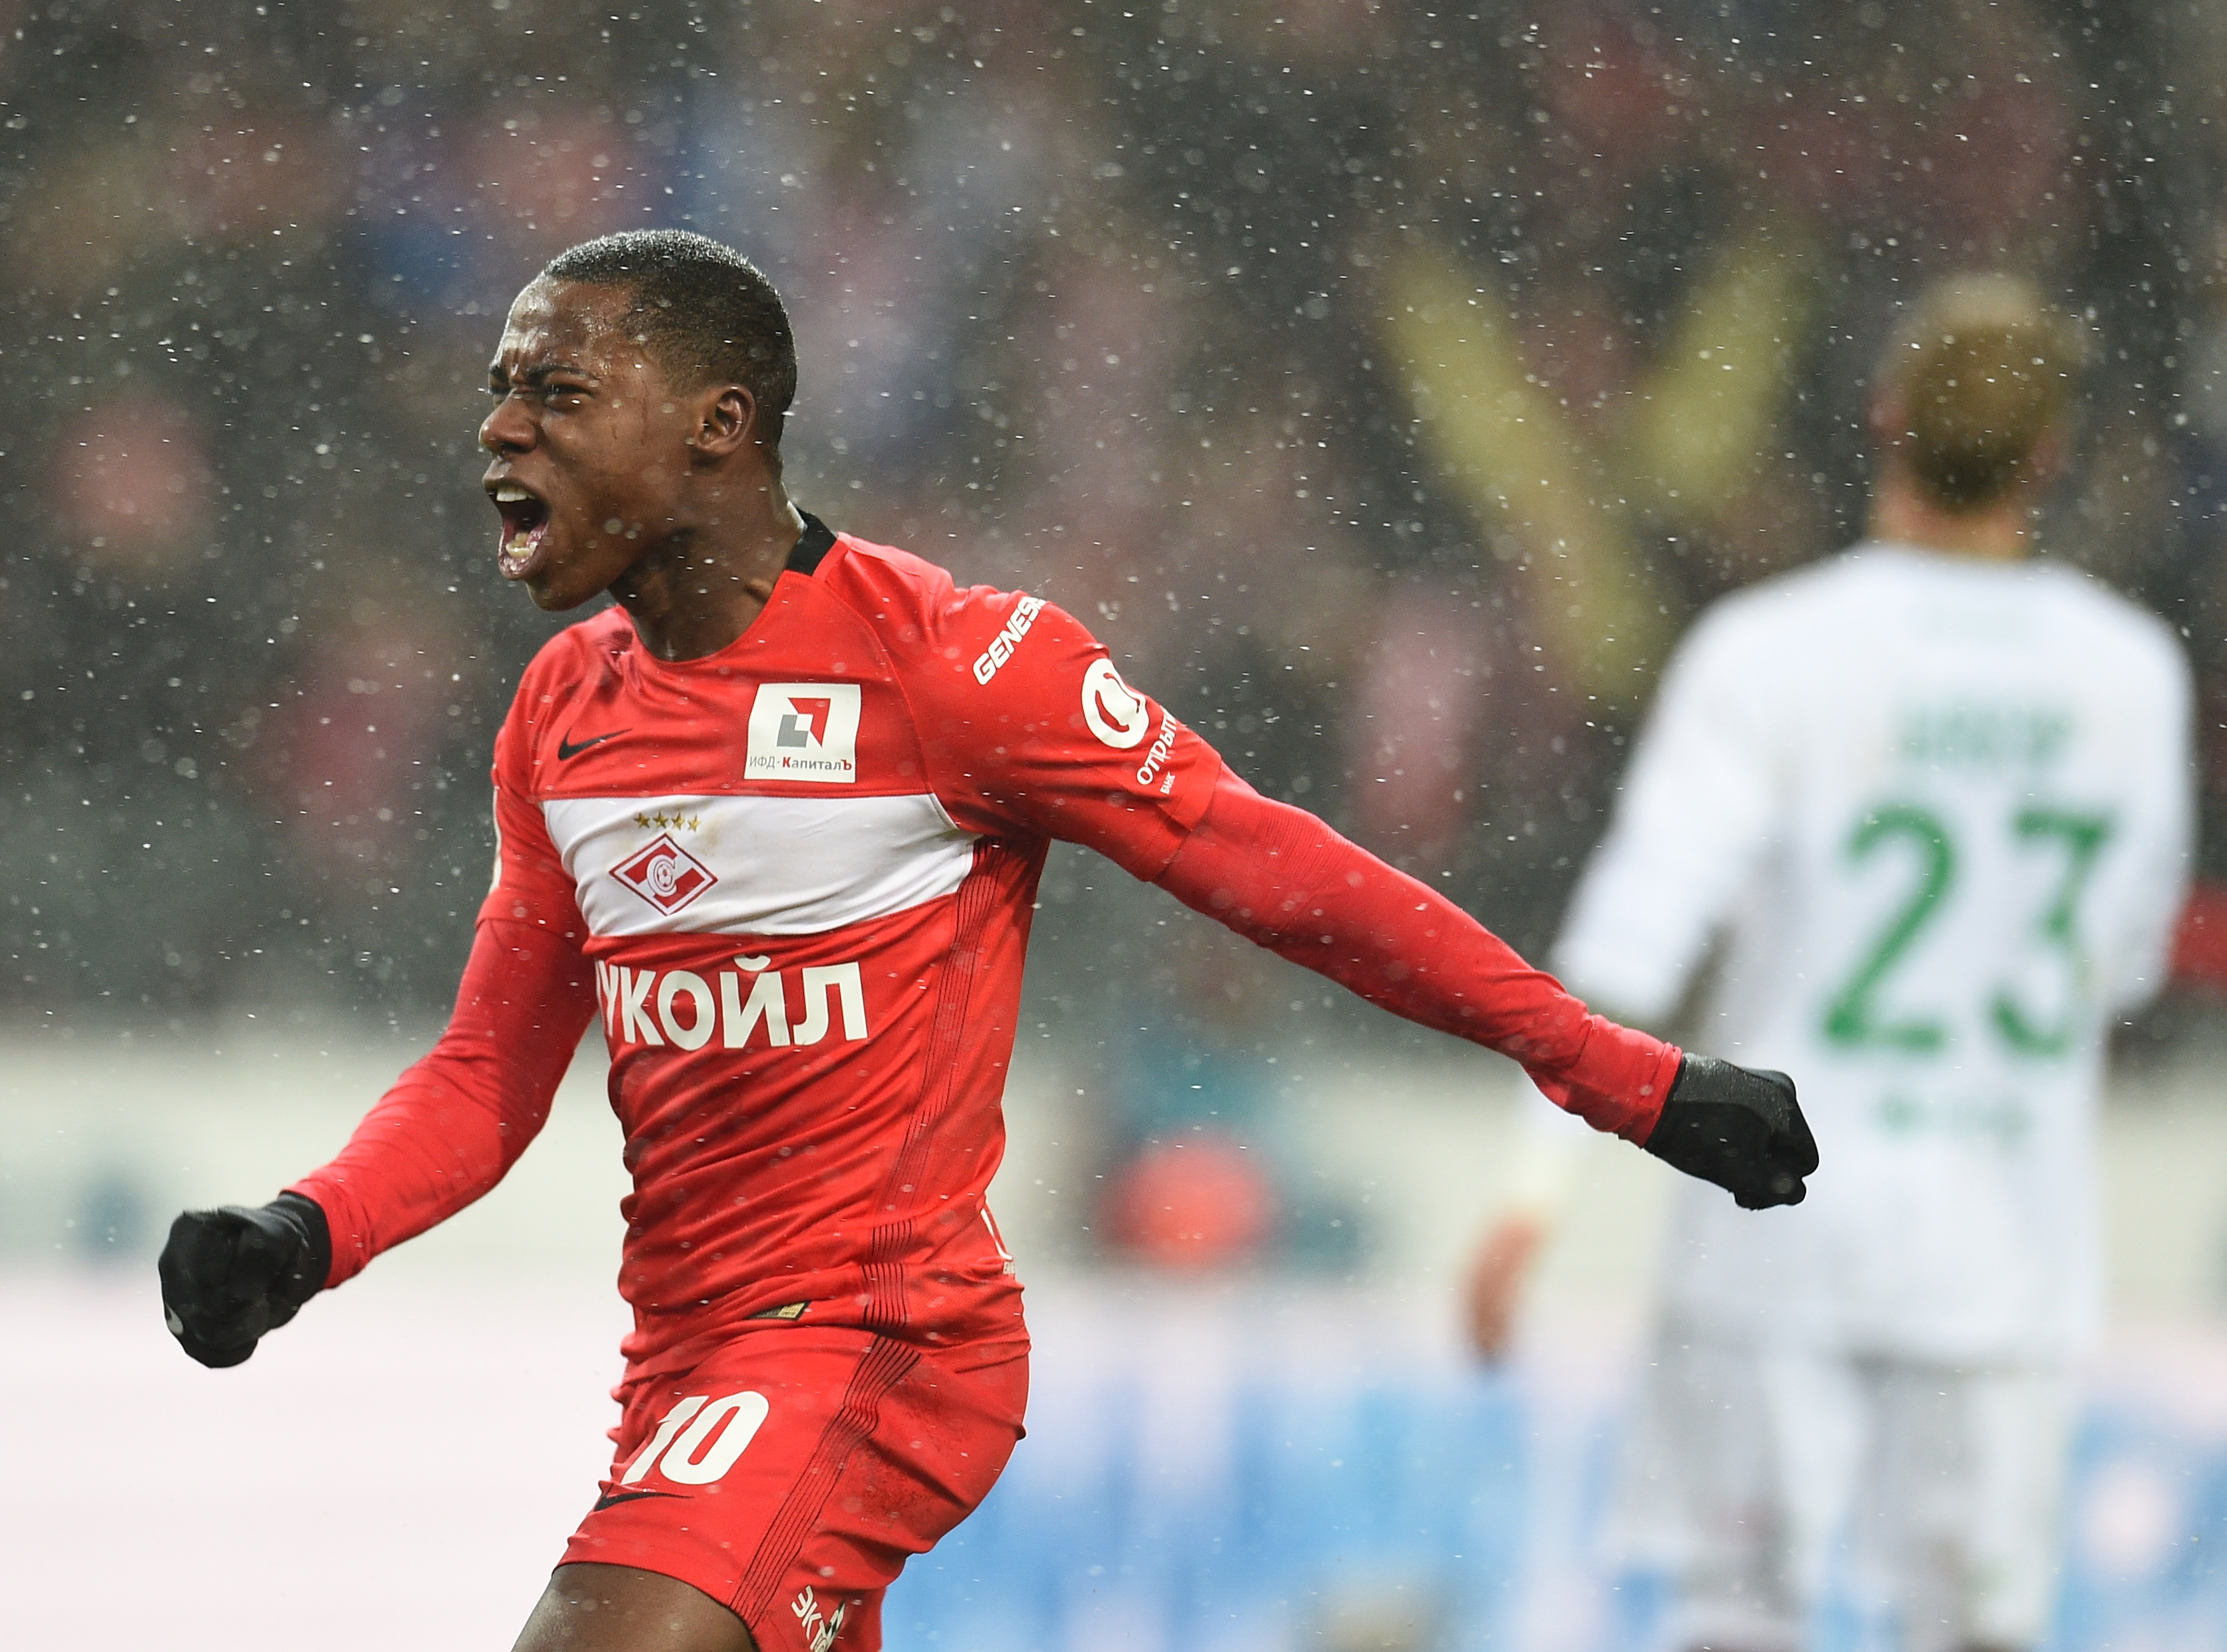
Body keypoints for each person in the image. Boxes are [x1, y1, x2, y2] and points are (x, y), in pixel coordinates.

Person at [156, 230, 1815, 1652]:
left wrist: (1634, 1081)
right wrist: (307, 1233)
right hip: (683, 1359)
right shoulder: (564, 710)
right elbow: (487, 1070)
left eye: (556, 394)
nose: (499, 429)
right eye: (499, 392)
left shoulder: (956, 667)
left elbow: (1294, 879)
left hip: (875, 1340)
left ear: (717, 428)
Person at [1463, 274, 2192, 1652]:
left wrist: (1528, 1185)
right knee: (1975, 1633)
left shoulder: (1769, 655)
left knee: (1739, 1622)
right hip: (2004, 1247)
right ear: (2049, 456)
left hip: (1773, 1234)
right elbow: (2127, 961)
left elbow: (1628, 946)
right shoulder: (2130, 676)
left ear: (1886, 418)